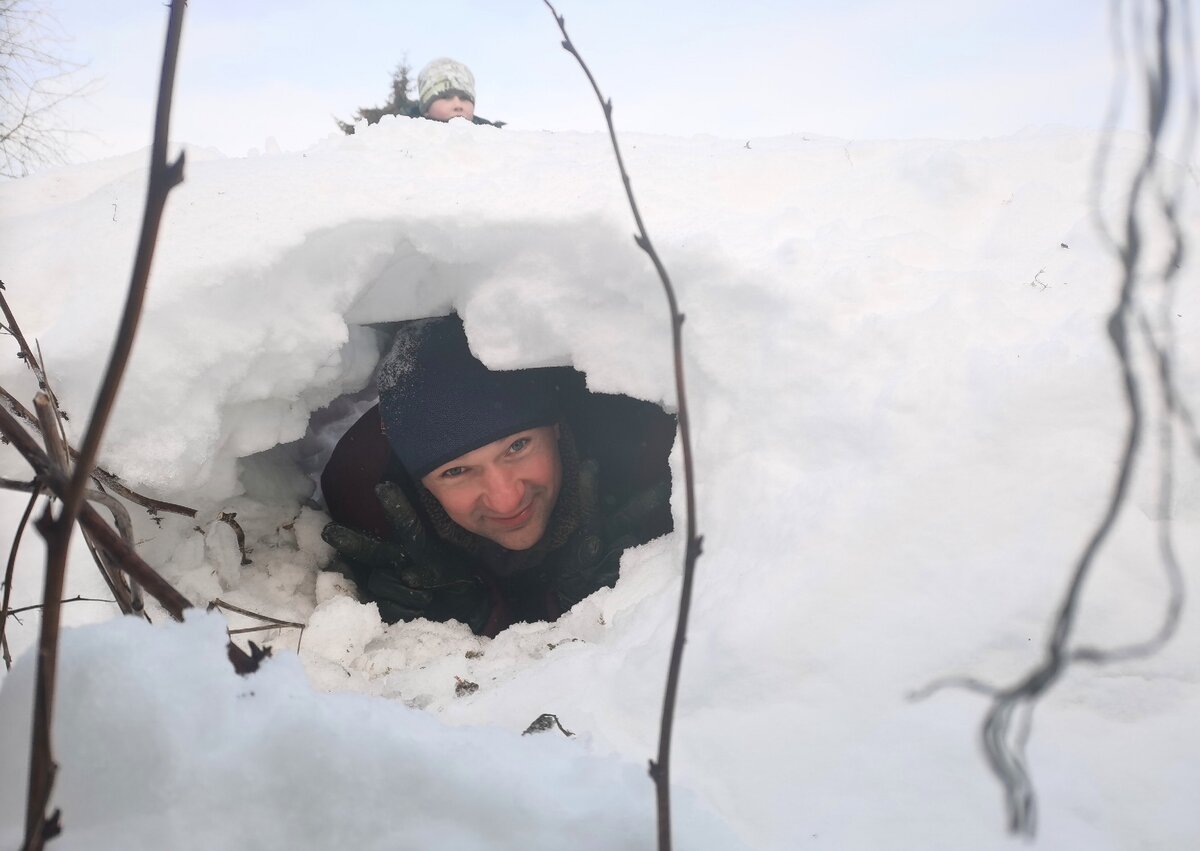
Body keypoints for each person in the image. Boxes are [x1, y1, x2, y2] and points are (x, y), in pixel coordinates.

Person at [320, 315, 674, 637]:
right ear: (419, 479)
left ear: (555, 426)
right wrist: (463, 619)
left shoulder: (643, 453)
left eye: (518, 446)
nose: (506, 499)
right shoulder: (369, 494)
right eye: (455, 471)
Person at [412, 57, 505, 128]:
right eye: (446, 97)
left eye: (464, 98)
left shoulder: (494, 141)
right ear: (426, 108)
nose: (458, 105)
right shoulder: (407, 138)